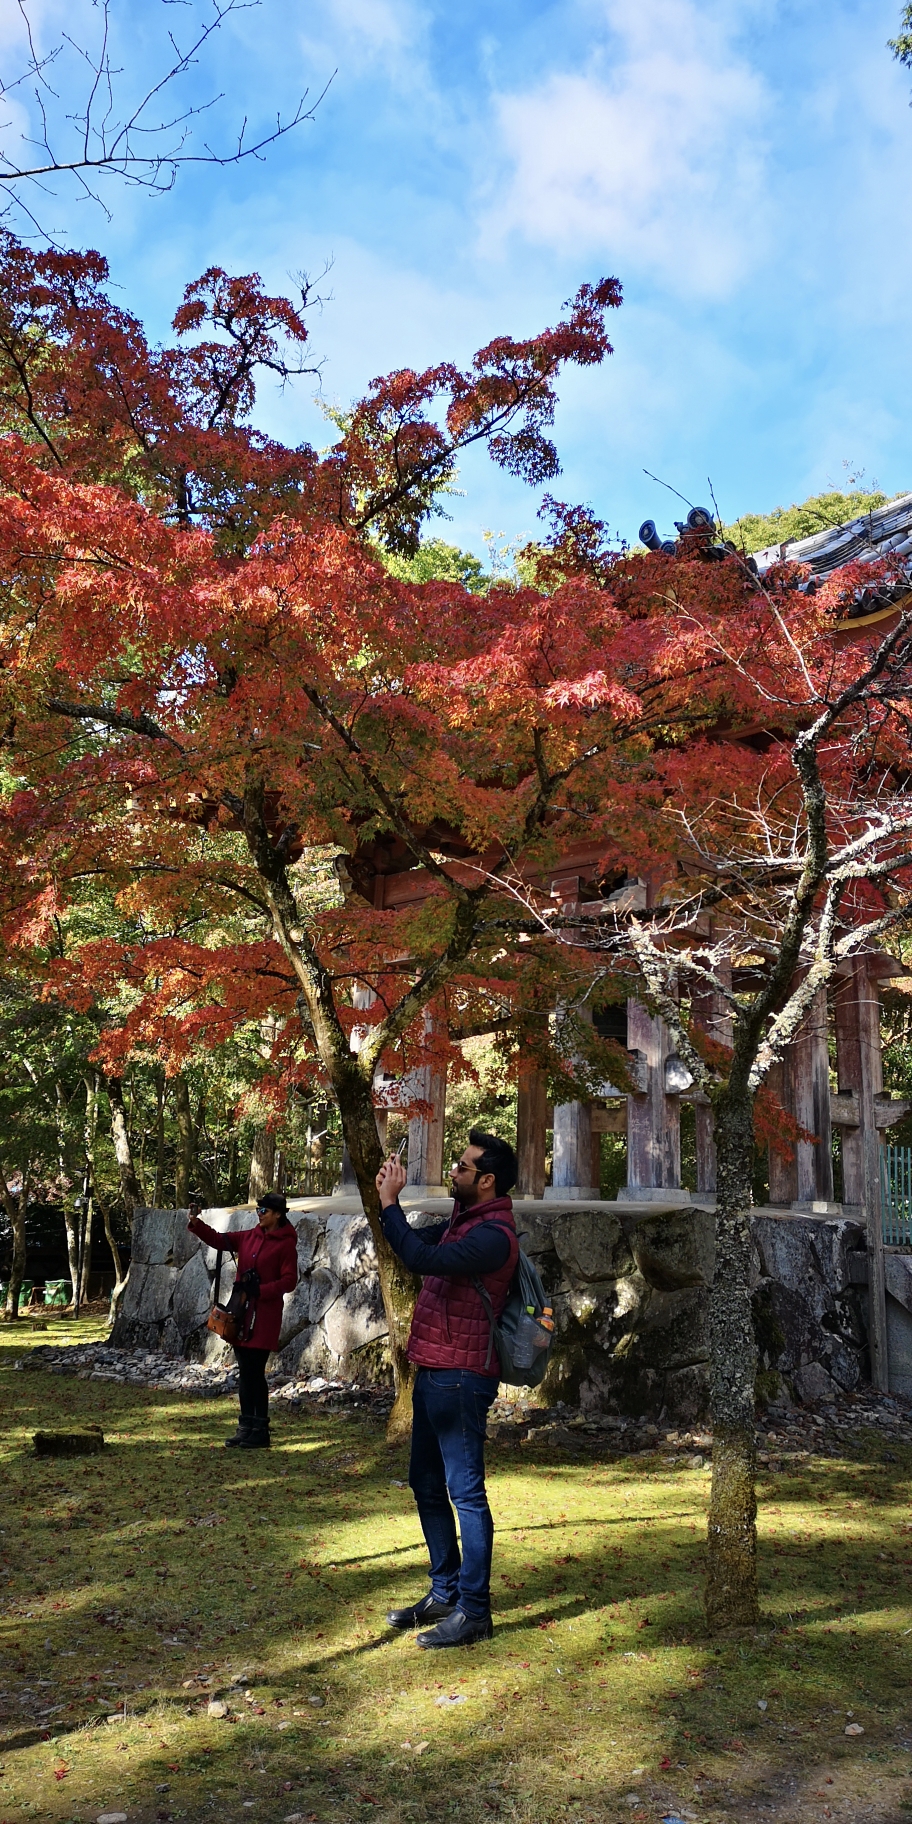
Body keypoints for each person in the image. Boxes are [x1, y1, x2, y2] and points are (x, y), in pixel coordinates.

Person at [375, 1128, 519, 1649]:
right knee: (427, 1485)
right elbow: (410, 1242)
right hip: (435, 1371)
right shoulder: (464, 1221)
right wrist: (389, 1201)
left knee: (466, 1496)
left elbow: (420, 1259)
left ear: (487, 1180)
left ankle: (475, 1611)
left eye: (462, 1167)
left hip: (462, 1379)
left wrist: (392, 1202)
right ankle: (445, 1590)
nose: (453, 1171)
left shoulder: (493, 1236)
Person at [188, 1192, 298, 1449]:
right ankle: (245, 1427)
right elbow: (218, 1240)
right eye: (258, 1210)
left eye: (264, 1211)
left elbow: (289, 1281)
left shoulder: (286, 1244)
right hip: (241, 1313)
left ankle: (260, 1429)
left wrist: (263, 1289)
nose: (259, 1214)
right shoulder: (249, 1236)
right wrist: (196, 1222)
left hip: (265, 1317)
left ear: (278, 1214)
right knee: (245, 1373)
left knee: (254, 1372)